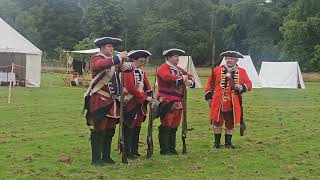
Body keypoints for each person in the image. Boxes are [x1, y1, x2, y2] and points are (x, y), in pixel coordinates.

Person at [84, 37, 135, 165]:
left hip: (113, 100)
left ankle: (106, 156)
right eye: (109, 46)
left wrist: (127, 63)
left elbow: (129, 69)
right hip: (100, 99)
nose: (111, 48)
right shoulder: (97, 59)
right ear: (101, 47)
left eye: (112, 46)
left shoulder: (114, 62)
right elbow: (101, 65)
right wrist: (117, 57)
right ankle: (96, 159)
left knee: (110, 130)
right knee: (98, 129)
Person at [204, 51, 252, 149]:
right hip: (218, 101)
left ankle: (228, 143)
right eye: (227, 58)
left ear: (236, 60)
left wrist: (241, 86)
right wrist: (209, 96)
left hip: (233, 102)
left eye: (231, 58)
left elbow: (249, 84)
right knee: (217, 121)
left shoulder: (242, 71)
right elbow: (209, 84)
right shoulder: (217, 70)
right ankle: (216, 143)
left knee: (230, 122)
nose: (229, 60)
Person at [156, 48, 195, 155]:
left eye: (178, 56)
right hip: (167, 100)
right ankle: (164, 149)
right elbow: (167, 77)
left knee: (174, 125)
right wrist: (183, 78)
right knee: (166, 124)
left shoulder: (178, 69)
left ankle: (171, 148)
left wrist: (189, 81)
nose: (178, 58)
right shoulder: (164, 67)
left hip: (178, 101)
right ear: (168, 57)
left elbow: (190, 77)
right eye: (175, 56)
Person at [122, 50, 154, 159]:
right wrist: (144, 97)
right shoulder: (128, 71)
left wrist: (150, 96)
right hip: (130, 102)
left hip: (140, 104)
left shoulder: (141, 71)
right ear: (134, 59)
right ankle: (127, 151)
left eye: (144, 58)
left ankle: (134, 150)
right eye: (141, 58)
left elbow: (147, 86)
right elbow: (131, 87)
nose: (143, 60)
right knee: (129, 126)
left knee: (137, 127)